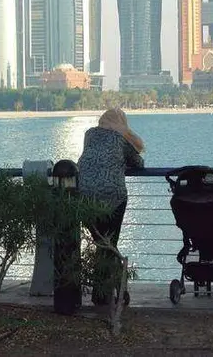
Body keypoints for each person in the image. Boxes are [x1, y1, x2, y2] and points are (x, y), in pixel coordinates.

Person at [77, 107, 145, 306]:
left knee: (102, 244)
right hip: (112, 197)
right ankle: (116, 292)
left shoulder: (89, 135)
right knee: (109, 244)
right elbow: (138, 163)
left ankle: (103, 293)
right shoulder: (121, 139)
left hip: (85, 196)